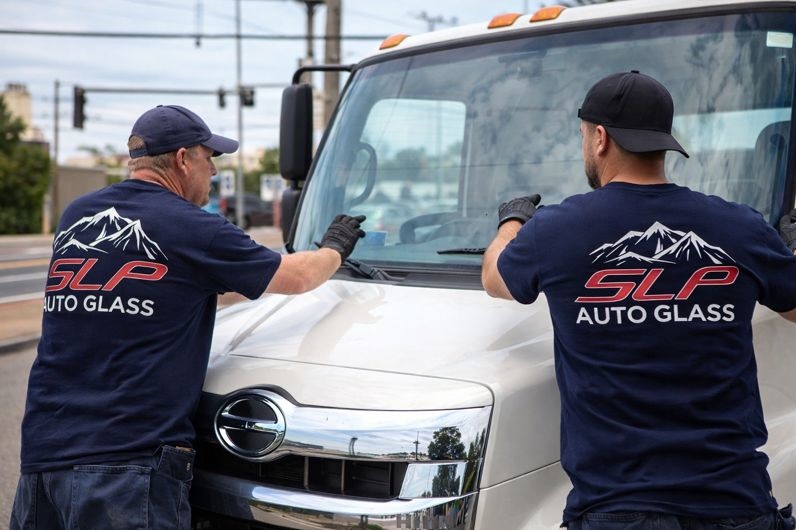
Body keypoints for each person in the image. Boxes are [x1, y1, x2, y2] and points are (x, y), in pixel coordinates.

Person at [10, 104, 366, 530]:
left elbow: (156, 285)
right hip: (128, 465)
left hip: (43, 456)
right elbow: (300, 276)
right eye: (209, 158)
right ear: (183, 159)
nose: (213, 173)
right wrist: (335, 247)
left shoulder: (77, 216)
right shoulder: (193, 227)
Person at [481, 71, 796, 529]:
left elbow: (494, 278)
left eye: (584, 136)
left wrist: (512, 222)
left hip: (614, 509)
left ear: (600, 138)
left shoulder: (556, 230)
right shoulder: (741, 228)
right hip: (734, 502)